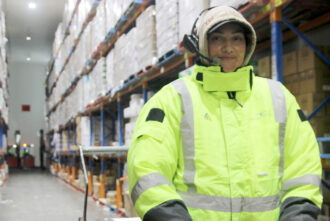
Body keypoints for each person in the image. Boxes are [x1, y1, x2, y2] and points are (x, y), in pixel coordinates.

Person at [127, 6, 322, 221]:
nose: (228, 48)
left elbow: (304, 169)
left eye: (237, 39)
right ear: (202, 44)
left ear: (248, 45)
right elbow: (147, 171)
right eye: (217, 38)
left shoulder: (279, 98)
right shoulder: (172, 100)